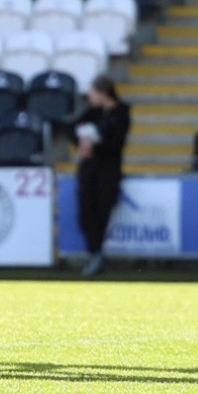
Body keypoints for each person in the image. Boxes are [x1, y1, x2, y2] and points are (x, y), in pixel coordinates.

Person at [74, 75, 132, 278]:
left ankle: (96, 253)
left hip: (108, 169)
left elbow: (117, 143)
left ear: (103, 93)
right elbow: (74, 128)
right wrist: (82, 142)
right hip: (89, 169)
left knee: (101, 210)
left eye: (92, 93)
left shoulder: (121, 113)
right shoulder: (92, 113)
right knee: (85, 211)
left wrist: (95, 145)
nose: (90, 97)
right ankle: (94, 251)